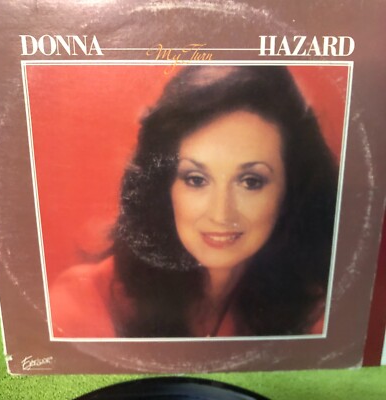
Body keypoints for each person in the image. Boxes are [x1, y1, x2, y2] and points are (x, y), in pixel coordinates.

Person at [50, 66, 338, 338]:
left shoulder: (320, 315)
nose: (221, 214)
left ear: (290, 188)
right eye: (196, 180)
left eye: (250, 181)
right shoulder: (82, 306)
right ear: (164, 186)